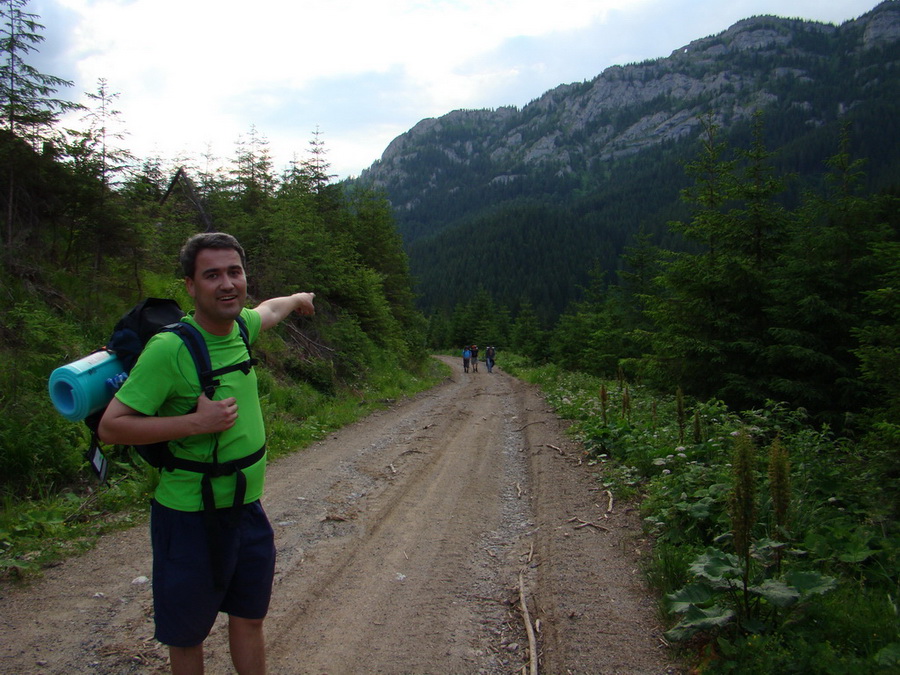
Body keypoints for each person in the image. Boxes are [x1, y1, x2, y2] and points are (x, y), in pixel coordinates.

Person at [99, 232, 315, 675]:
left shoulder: (239, 327)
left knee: (250, 618)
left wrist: (297, 298)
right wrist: (196, 424)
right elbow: (112, 426)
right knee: (187, 637)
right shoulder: (169, 349)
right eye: (211, 275)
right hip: (189, 516)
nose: (226, 284)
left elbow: (269, 310)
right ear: (191, 287)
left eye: (234, 272)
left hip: (246, 509)